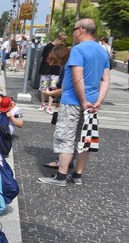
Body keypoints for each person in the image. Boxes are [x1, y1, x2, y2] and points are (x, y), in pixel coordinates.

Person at [39, 18, 110, 187]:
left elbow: (77, 79)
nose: (73, 33)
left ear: (80, 30)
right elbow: (106, 80)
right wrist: (98, 101)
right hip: (93, 104)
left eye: (74, 29)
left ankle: (61, 177)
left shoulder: (78, 50)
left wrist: (82, 100)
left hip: (73, 101)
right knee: (84, 139)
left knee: (65, 137)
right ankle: (77, 175)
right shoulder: (103, 51)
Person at [39, 32, 66, 111]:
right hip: (46, 69)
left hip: (55, 70)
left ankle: (49, 106)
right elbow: (43, 57)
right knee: (43, 86)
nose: (62, 43)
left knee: (53, 87)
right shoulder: (48, 46)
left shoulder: (61, 47)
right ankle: (43, 103)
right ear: (59, 39)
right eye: (62, 40)